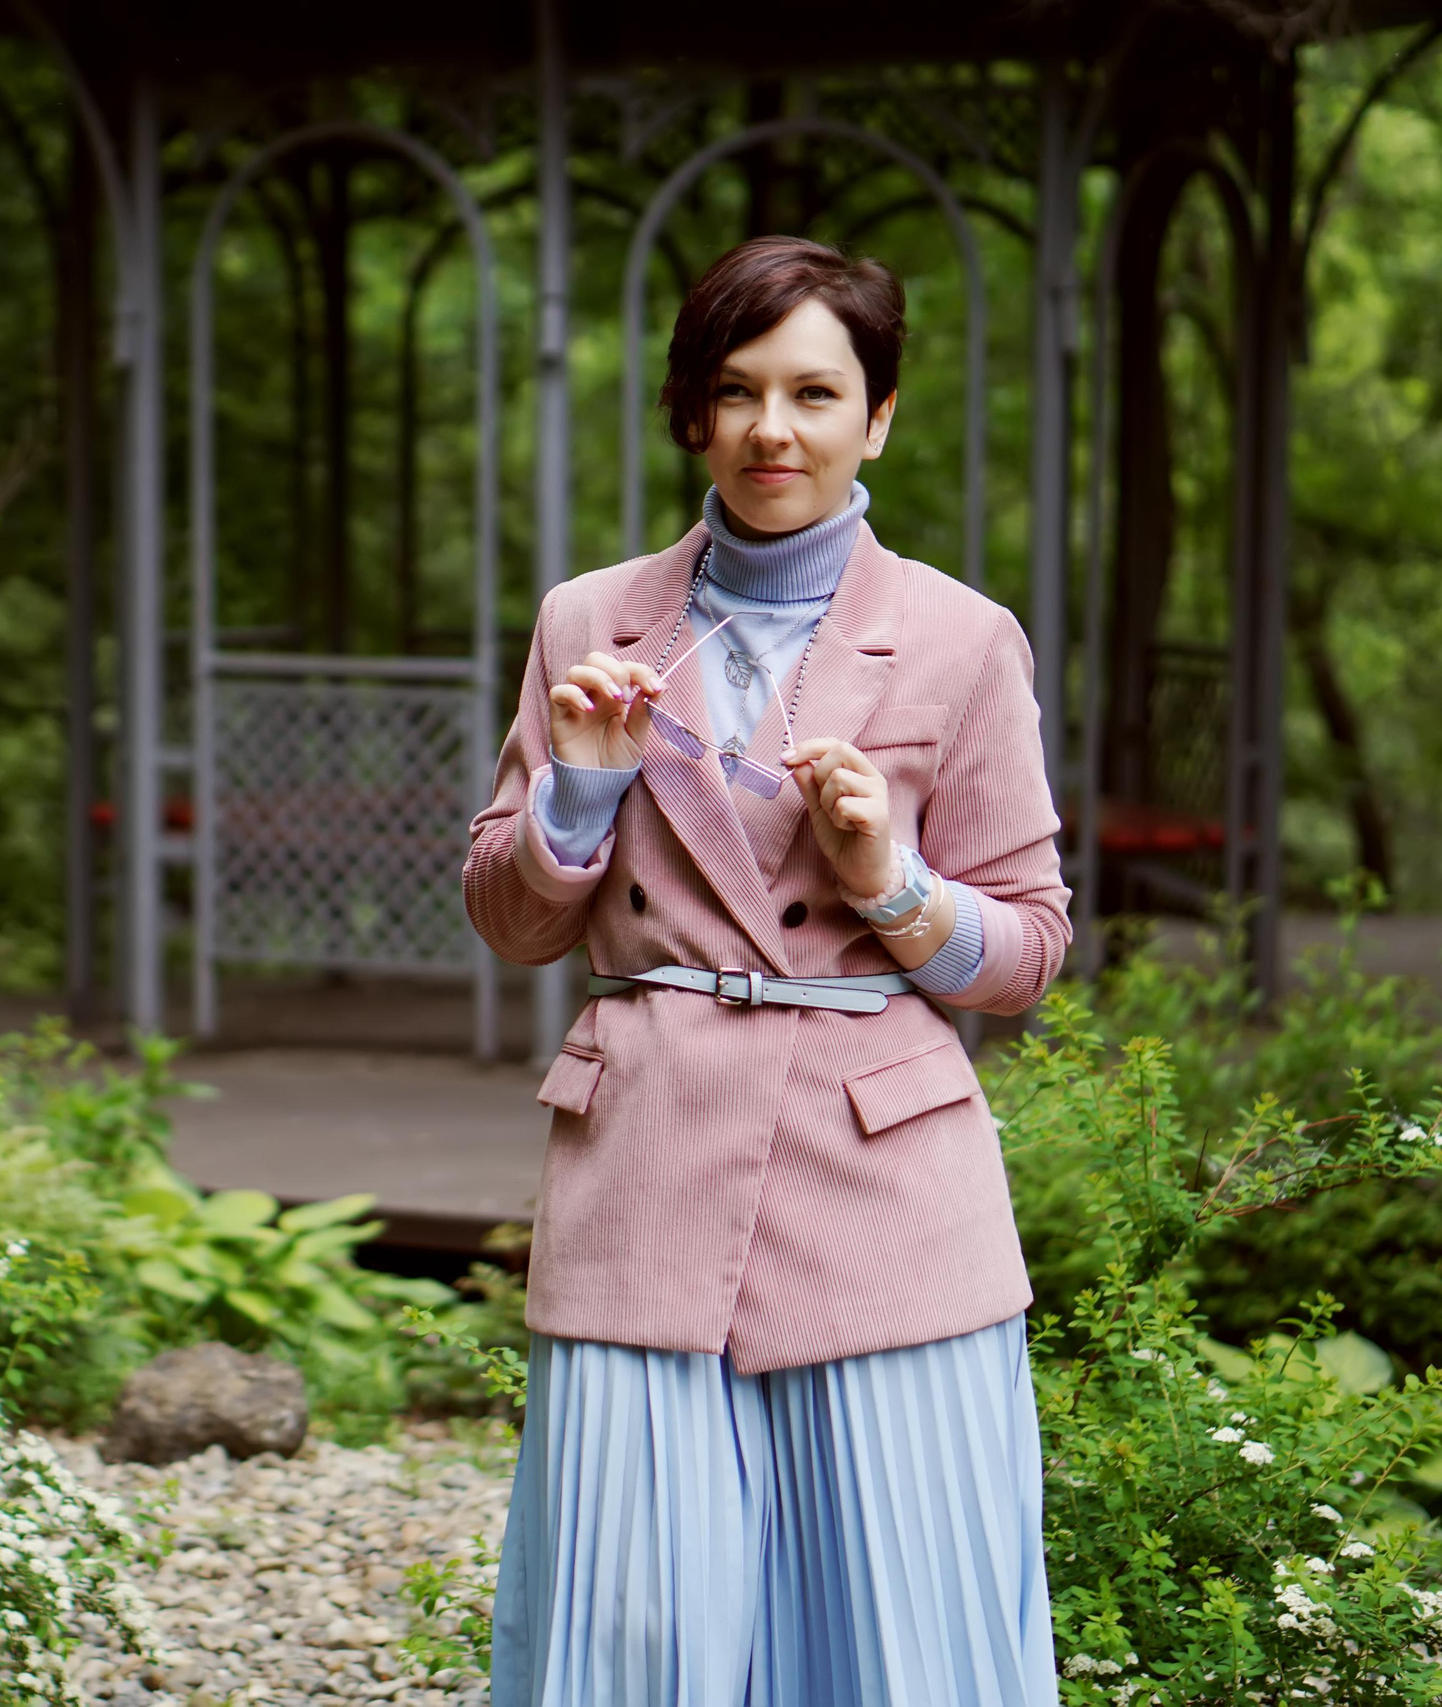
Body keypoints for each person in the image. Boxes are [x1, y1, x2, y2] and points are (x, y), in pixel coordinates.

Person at [464, 235, 1069, 1706]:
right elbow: (509, 918)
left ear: (880, 416)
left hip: (883, 1190)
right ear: (691, 412)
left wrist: (895, 886)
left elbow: (1029, 950)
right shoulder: (586, 623)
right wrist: (582, 797)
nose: (771, 431)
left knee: (902, 1629)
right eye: (737, 391)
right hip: (645, 1168)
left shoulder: (960, 641)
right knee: (628, 1636)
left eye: (815, 392)